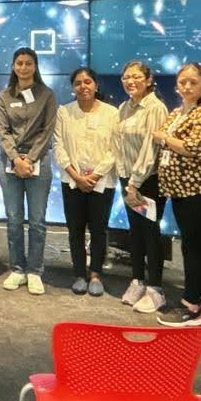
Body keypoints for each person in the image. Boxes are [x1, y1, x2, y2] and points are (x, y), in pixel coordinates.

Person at [152, 63, 201, 326]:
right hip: (179, 190)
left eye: (193, 82)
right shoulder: (178, 111)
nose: (186, 86)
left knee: (192, 247)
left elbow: (193, 147)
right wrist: (164, 138)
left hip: (200, 190)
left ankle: (190, 306)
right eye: (182, 82)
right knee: (197, 246)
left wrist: (163, 138)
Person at [0, 48, 59, 295]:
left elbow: (47, 131)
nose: (23, 67)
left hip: (38, 164)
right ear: (13, 66)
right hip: (10, 164)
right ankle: (17, 269)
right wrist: (16, 159)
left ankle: (34, 271)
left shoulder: (47, 95)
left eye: (28, 63)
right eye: (19, 63)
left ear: (35, 66)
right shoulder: (4, 96)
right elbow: (2, 131)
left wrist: (29, 159)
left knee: (37, 221)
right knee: (13, 219)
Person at [55, 67, 120, 296]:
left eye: (88, 82)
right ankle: (79, 274)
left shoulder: (112, 113)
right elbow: (59, 146)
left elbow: (115, 149)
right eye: (78, 83)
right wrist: (76, 176)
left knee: (99, 229)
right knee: (75, 230)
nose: (83, 86)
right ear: (73, 87)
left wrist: (95, 175)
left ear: (96, 85)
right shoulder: (64, 112)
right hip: (72, 181)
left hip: (101, 182)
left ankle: (95, 275)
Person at [115, 60, 168, 312]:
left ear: (148, 80)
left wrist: (135, 183)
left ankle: (155, 289)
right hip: (128, 180)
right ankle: (137, 280)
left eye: (136, 77)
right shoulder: (124, 107)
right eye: (126, 77)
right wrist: (126, 181)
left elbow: (151, 149)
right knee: (135, 232)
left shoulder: (155, 108)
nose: (130, 81)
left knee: (150, 233)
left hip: (148, 180)